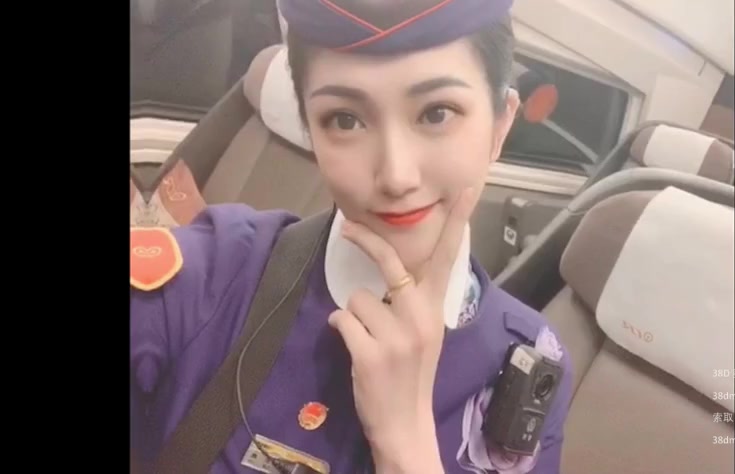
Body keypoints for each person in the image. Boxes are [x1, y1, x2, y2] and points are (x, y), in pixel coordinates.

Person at [130, 0, 575, 472]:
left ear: (500, 125)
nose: (396, 176)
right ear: (310, 129)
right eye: (345, 120)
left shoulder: (529, 364)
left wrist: (405, 445)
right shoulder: (214, 277)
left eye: (437, 113)